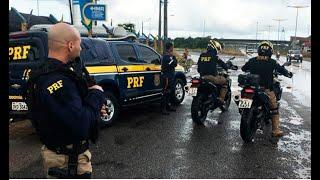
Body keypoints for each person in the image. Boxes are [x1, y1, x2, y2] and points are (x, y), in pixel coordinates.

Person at [26, 23, 106, 178]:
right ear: (70, 45)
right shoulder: (58, 81)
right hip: (68, 162)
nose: (81, 49)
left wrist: (92, 107)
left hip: (62, 156)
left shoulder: (42, 74)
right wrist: (97, 94)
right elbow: (81, 125)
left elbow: (65, 112)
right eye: (79, 44)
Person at [241, 41, 293, 137]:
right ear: (270, 51)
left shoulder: (252, 60)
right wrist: (289, 74)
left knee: (244, 102)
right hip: (265, 90)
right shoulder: (272, 62)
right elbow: (282, 70)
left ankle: (246, 112)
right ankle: (276, 130)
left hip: (250, 88)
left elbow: (243, 68)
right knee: (274, 108)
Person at [197, 39, 229, 105]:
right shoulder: (215, 56)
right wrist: (227, 67)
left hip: (202, 77)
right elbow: (223, 64)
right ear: (214, 48)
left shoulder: (202, 55)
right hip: (212, 77)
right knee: (225, 82)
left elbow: (198, 68)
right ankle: (221, 99)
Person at [161, 42, 178, 115]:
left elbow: (174, 64)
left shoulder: (169, 57)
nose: (173, 50)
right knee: (165, 92)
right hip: (167, 78)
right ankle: (163, 109)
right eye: (172, 48)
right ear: (169, 49)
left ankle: (168, 106)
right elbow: (174, 64)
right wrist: (174, 58)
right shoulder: (166, 57)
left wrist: (173, 58)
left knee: (169, 92)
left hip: (170, 77)